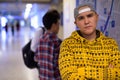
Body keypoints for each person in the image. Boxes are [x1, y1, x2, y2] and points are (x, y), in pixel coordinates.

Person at [58, 3, 120, 80]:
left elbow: (118, 73)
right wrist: (107, 73)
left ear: (97, 17)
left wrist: (81, 71)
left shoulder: (111, 44)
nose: (86, 21)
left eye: (90, 16)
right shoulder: (67, 45)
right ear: (76, 23)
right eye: (81, 18)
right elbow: (68, 76)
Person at [35, 9, 62, 80]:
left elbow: (36, 58)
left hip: (43, 77)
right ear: (54, 25)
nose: (59, 26)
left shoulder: (41, 39)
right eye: (58, 24)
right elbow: (60, 65)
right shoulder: (57, 42)